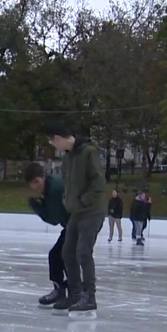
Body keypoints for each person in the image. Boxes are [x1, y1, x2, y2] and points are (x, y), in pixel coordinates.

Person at [47, 124, 104, 315]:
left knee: (83, 252)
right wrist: (67, 201)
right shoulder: (68, 157)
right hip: (76, 213)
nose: (52, 146)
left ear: (58, 138)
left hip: (92, 211)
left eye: (51, 141)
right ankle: (75, 293)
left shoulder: (89, 152)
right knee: (67, 252)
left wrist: (83, 201)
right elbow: (67, 183)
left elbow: (98, 182)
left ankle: (90, 296)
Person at [24, 162, 69, 307]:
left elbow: (54, 219)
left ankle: (70, 291)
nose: (36, 186)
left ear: (43, 176)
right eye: (32, 184)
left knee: (61, 255)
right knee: (60, 255)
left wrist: (38, 207)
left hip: (78, 224)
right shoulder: (51, 185)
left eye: (37, 181)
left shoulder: (53, 189)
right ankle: (64, 290)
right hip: (73, 224)